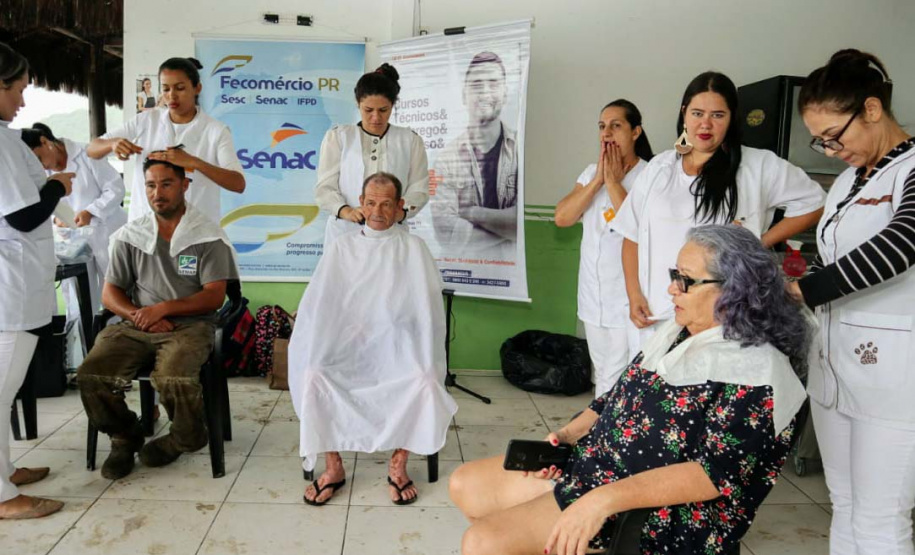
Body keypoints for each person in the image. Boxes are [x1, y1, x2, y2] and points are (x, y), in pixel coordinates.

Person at [450, 225, 809, 555]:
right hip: (598, 468)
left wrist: (600, 500)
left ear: (735, 289)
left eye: (685, 280)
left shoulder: (759, 373)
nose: (672, 288)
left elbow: (710, 474)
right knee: (465, 485)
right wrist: (565, 435)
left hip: (659, 509)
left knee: (484, 543)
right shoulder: (678, 333)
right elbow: (612, 399)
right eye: (674, 275)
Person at [787, 49, 915, 555]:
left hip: (895, 379)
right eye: (819, 141)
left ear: (872, 109)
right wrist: (784, 277)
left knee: (882, 521)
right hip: (833, 369)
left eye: (834, 137)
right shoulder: (845, 182)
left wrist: (804, 289)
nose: (829, 150)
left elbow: (901, 244)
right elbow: (825, 257)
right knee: (845, 504)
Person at [612, 71, 825, 350]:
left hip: (721, 316)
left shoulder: (757, 166)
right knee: (656, 388)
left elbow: (815, 202)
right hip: (657, 310)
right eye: (698, 113)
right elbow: (632, 235)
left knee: (708, 389)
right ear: (684, 113)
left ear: (732, 118)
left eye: (718, 115)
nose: (705, 124)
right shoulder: (659, 169)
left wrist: (758, 242)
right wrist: (634, 294)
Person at [290, 172, 457, 506]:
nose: (377, 211)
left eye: (386, 204)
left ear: (399, 207)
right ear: (361, 204)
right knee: (314, 373)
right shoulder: (342, 247)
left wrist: (393, 333)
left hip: (399, 344)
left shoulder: (414, 248)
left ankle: (398, 464)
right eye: (370, 202)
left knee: (423, 377)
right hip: (346, 343)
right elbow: (321, 306)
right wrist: (343, 336)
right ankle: (333, 465)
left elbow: (426, 315)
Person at [77, 157, 238, 480]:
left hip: (191, 325)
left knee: (174, 376)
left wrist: (163, 309)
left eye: (166, 184)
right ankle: (125, 435)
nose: (157, 192)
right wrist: (141, 316)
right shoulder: (131, 235)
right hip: (137, 324)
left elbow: (213, 296)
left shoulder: (206, 235)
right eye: (151, 185)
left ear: (184, 186)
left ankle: (186, 436)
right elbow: (111, 295)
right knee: (92, 374)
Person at [0, 41, 72, 519]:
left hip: (17, 283)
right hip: (8, 289)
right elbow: (24, 216)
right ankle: (4, 499)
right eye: (19, 90)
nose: (24, 102)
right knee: (0, 392)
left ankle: (5, 471)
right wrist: (57, 185)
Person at [555, 99, 653, 397]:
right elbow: (562, 217)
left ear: (635, 132)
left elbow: (638, 227)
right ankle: (604, 430)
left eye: (616, 125)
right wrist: (598, 179)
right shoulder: (590, 174)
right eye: (601, 126)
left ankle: (603, 437)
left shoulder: (650, 175)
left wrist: (612, 182)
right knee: (603, 371)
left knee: (617, 375)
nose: (606, 133)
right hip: (592, 295)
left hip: (627, 298)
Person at [88, 57, 245, 223]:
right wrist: (112, 144)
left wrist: (194, 162)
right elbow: (92, 149)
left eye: (180, 88)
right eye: (165, 89)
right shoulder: (146, 120)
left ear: (197, 88)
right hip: (145, 230)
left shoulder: (215, 130)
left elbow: (238, 183)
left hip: (195, 232)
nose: (172, 96)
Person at [21, 122, 127, 323]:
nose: (40, 166)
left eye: (38, 158)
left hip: (108, 232)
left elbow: (115, 188)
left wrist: (90, 211)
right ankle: (83, 344)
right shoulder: (41, 173)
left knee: (115, 289)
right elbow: (44, 204)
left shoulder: (86, 153)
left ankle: (118, 338)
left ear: (45, 142)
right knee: (79, 299)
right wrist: (57, 219)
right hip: (74, 240)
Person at [314, 64, 429, 247]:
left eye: (383, 110)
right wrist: (346, 212)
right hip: (344, 233)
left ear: (393, 105)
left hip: (392, 233)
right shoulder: (338, 137)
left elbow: (419, 188)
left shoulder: (410, 140)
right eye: (368, 110)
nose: (376, 117)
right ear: (357, 103)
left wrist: (401, 212)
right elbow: (325, 188)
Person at [432, 51, 519, 257]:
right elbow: (446, 235)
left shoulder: (519, 152)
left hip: (511, 277)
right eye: (477, 85)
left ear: (505, 93)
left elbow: (522, 220)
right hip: (464, 274)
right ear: (464, 95)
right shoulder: (446, 159)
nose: (485, 92)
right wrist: (510, 231)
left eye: (493, 83)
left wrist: (473, 213)